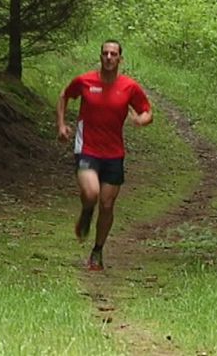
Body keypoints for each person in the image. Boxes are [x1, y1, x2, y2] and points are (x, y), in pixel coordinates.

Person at [56, 39, 153, 271]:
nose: (109, 57)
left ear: (120, 59)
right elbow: (64, 95)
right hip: (87, 147)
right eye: (105, 54)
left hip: (113, 152)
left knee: (107, 204)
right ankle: (86, 212)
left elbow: (147, 111)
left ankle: (97, 251)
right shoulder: (85, 81)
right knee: (91, 192)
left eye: (113, 54)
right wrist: (61, 125)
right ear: (100, 57)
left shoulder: (129, 87)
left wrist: (142, 119)